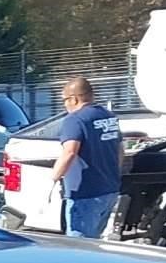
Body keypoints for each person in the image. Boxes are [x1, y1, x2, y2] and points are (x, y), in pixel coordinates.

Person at [49, 75, 124, 238]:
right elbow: (119, 149)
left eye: (65, 100)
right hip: (109, 189)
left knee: (79, 247)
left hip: (84, 191)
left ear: (74, 99)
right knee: (94, 244)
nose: (64, 104)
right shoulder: (108, 116)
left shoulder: (75, 120)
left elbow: (69, 152)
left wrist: (53, 178)